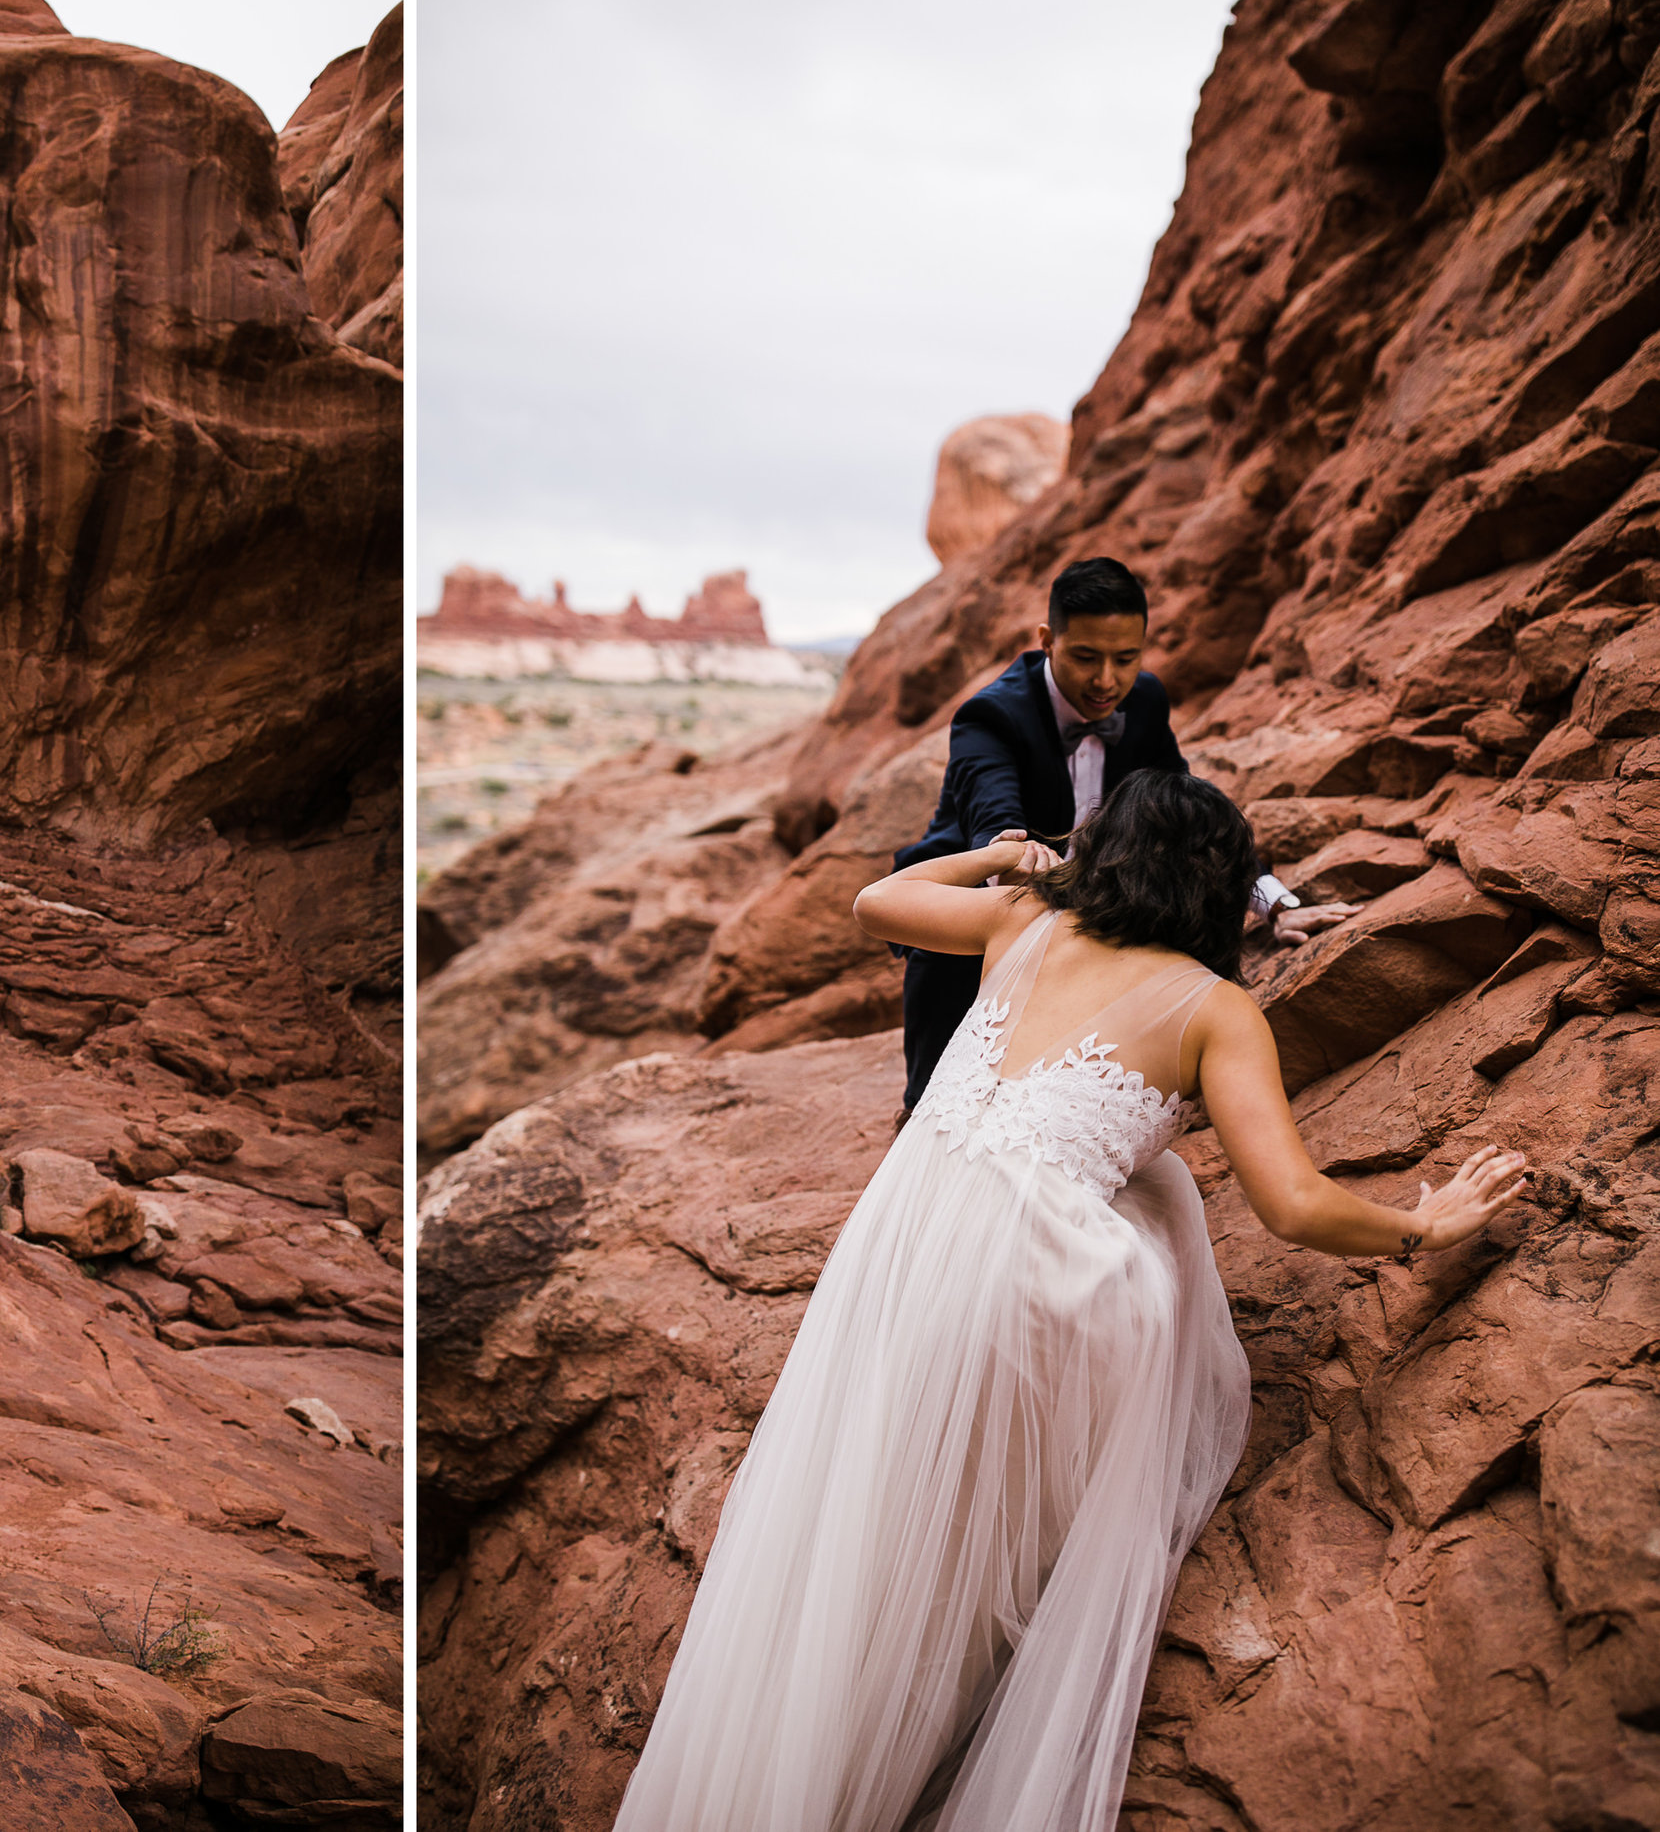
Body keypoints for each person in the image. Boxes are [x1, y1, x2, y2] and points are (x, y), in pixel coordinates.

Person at [609, 769, 1528, 1832]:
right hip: (1047, 1284)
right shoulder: (1216, 1010)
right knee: (989, 1530)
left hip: (911, 1245)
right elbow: (1290, 1204)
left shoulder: (1020, 919)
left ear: (1099, 856)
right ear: (1221, 889)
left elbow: (877, 902)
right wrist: (1424, 1224)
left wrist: (1006, 852)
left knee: (873, 1506)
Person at [893, 556, 1357, 1113]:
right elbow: (995, 823)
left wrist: (1273, 904)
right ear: (1047, 640)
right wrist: (1016, 857)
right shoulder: (991, 716)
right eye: (1086, 657)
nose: (1106, 681)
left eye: (1126, 658)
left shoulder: (1145, 700)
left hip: (1092, 906)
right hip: (979, 908)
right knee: (936, 1090)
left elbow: (1185, 815)